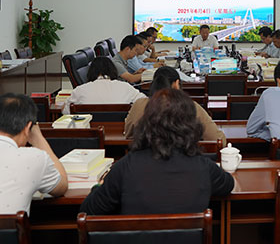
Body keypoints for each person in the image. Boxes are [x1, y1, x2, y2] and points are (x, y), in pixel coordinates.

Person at [81, 88, 234, 215]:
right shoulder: (204, 167)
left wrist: (100, 185)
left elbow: (88, 210)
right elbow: (228, 184)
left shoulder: (124, 167)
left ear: (147, 122)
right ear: (190, 125)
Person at [124, 66, 226, 145]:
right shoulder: (191, 107)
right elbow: (217, 139)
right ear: (176, 84)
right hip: (183, 163)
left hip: (145, 164)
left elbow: (128, 134)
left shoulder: (139, 105)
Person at [62, 57, 147, 115]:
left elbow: (66, 111)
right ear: (113, 70)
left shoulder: (80, 90)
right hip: (120, 132)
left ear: (90, 72)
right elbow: (145, 103)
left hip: (89, 133)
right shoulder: (125, 87)